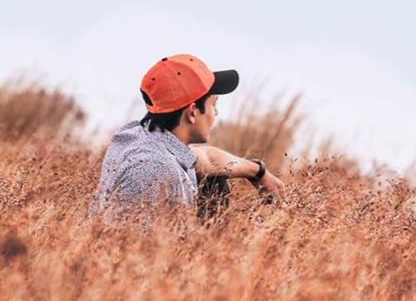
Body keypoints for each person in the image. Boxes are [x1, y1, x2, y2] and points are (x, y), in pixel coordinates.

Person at [91, 53, 286, 217]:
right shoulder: (153, 170)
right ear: (193, 111)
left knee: (212, 180)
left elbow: (207, 159)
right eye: (214, 105)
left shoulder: (143, 135)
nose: (216, 114)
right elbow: (137, 253)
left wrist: (258, 172)